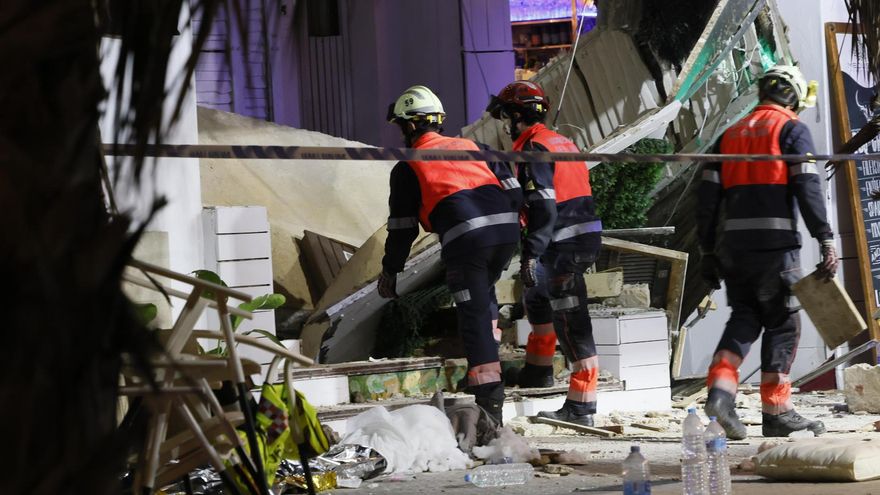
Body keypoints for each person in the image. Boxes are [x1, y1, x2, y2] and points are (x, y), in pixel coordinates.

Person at [697, 65, 838, 439]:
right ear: (791, 96)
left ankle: (721, 394)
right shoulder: (790, 130)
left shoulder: (728, 135)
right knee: (782, 323)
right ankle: (777, 411)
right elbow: (808, 187)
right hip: (775, 249)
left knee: (744, 317)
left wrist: (707, 251)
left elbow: (706, 200)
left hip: (733, 249)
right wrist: (825, 238)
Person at [378, 85, 521, 425]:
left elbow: (402, 228)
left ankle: (489, 403)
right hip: (505, 233)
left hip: (467, 242)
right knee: (483, 300)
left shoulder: (409, 166)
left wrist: (390, 270)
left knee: (471, 317)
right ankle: (482, 372)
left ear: (410, 126)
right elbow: (514, 194)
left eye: (400, 127)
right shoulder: (476, 148)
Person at [487, 80, 603, 427]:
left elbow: (544, 208)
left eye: (506, 116)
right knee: (537, 297)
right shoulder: (559, 141)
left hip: (563, 243)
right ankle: (538, 372)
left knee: (571, 322)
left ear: (517, 116)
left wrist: (531, 253)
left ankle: (582, 407)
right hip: (573, 238)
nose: (505, 124)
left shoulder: (534, 148)